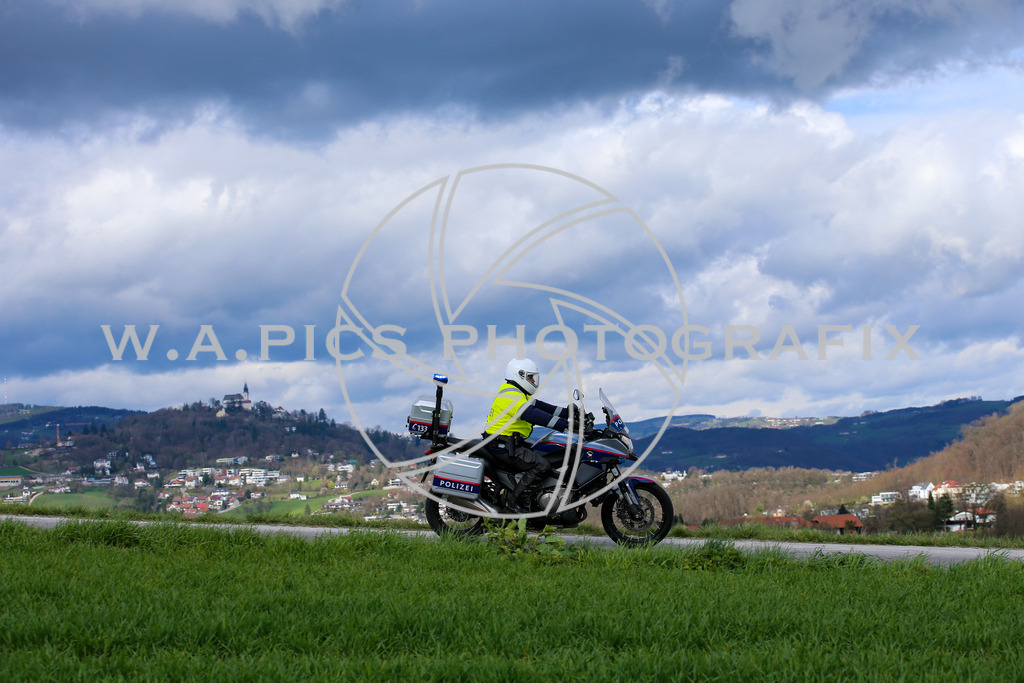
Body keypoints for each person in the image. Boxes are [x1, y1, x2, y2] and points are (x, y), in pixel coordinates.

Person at [482, 358, 573, 514]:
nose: (533, 381)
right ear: (520, 376)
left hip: (509, 444)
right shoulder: (511, 395)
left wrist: (568, 413)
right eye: (530, 377)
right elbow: (531, 414)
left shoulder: (517, 393)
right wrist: (565, 424)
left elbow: (540, 406)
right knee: (542, 466)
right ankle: (512, 504)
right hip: (503, 447)